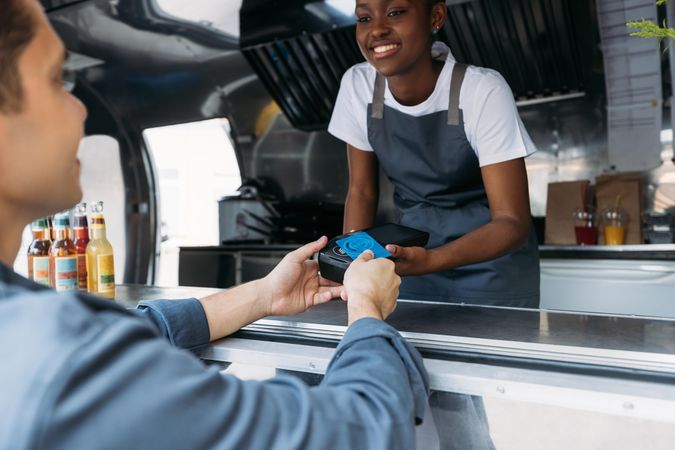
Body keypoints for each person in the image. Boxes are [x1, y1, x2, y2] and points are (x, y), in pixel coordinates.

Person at [0, 1, 429, 449]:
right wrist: (365, 309)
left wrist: (266, 294)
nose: (81, 111)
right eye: (58, 80)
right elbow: (359, 433)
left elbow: (145, 328)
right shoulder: (67, 370)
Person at [329, 0, 540, 307]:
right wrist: (351, 263)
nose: (376, 29)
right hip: (408, 268)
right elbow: (361, 192)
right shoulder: (358, 85)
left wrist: (430, 260)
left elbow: (512, 221)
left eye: (395, 12)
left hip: (492, 272)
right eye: (364, 17)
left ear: (436, 16)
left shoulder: (482, 90)